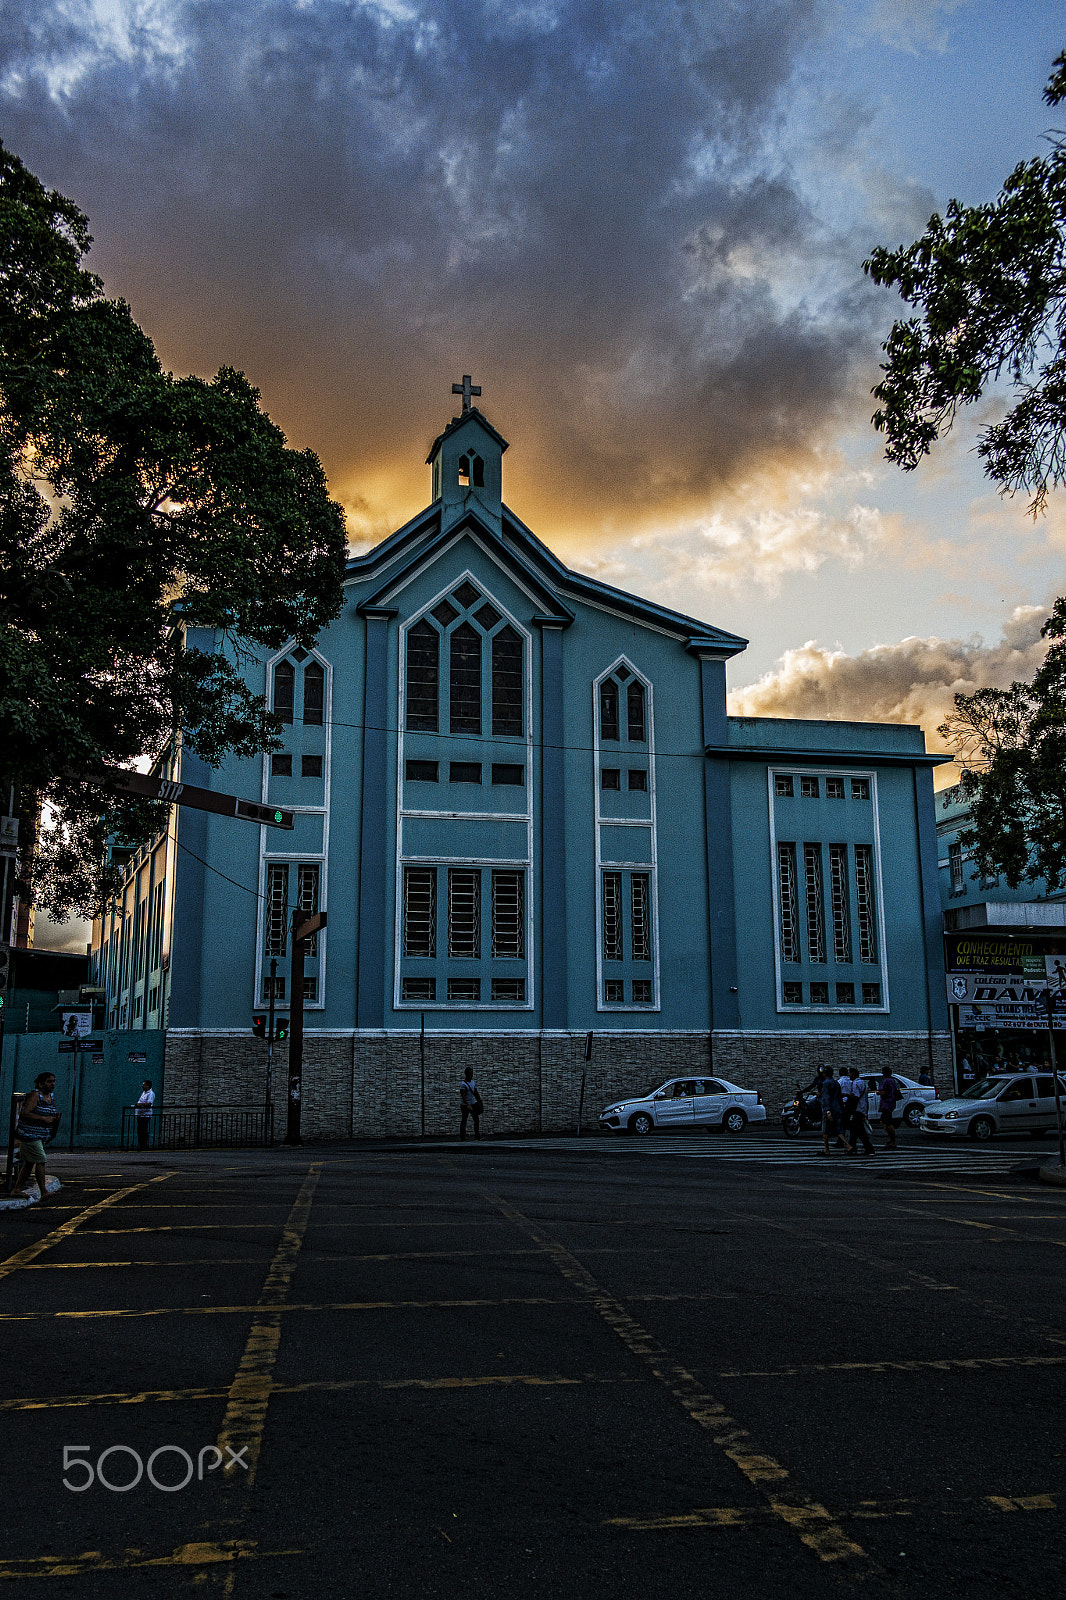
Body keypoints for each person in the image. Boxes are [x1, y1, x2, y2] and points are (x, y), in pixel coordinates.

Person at [12, 1072, 60, 1201]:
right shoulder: (35, 1095)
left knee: (29, 1163)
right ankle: (43, 1191)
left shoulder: (51, 1096)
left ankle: (17, 1189)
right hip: (29, 1134)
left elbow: (52, 1112)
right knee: (40, 1160)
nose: (52, 1084)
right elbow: (25, 1113)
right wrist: (43, 1118)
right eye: (49, 1081)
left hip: (40, 1135)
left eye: (53, 1081)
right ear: (40, 1083)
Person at [850, 1071, 876, 1155]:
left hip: (857, 1109)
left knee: (859, 1130)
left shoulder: (855, 1084)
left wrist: (847, 1096)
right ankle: (852, 1147)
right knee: (855, 1130)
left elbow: (856, 1096)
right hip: (862, 1108)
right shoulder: (862, 1083)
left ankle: (868, 1148)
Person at [820, 1069, 844, 1155]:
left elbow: (827, 1098)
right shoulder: (836, 1083)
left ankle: (826, 1149)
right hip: (838, 1108)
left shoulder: (826, 1083)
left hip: (830, 1109)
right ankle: (848, 1145)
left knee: (825, 1131)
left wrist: (827, 1110)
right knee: (837, 1130)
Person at [877, 1069, 899, 1149]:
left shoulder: (885, 1081)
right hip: (891, 1103)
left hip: (886, 1104)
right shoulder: (892, 1081)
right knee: (884, 1121)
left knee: (887, 1122)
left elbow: (883, 1092)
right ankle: (891, 1139)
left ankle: (892, 1140)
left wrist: (878, 1092)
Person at [459, 1068, 482, 1141]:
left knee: (476, 1119)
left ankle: (477, 1136)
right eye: (470, 1073)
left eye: (472, 1073)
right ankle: (463, 1137)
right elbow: (463, 1095)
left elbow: (475, 1092)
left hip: (472, 1103)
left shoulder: (473, 1083)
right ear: (466, 1074)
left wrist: (479, 1101)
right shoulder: (463, 1084)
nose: (471, 1075)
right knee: (464, 1120)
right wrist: (467, 1104)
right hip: (465, 1105)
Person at [135, 1080, 155, 1150]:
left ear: (148, 1086)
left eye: (144, 1085)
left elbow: (149, 1103)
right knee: (140, 1130)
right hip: (140, 1114)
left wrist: (140, 1104)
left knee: (143, 1130)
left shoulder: (150, 1093)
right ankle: (141, 1144)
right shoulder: (144, 1093)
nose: (143, 1086)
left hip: (145, 1115)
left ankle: (144, 1145)